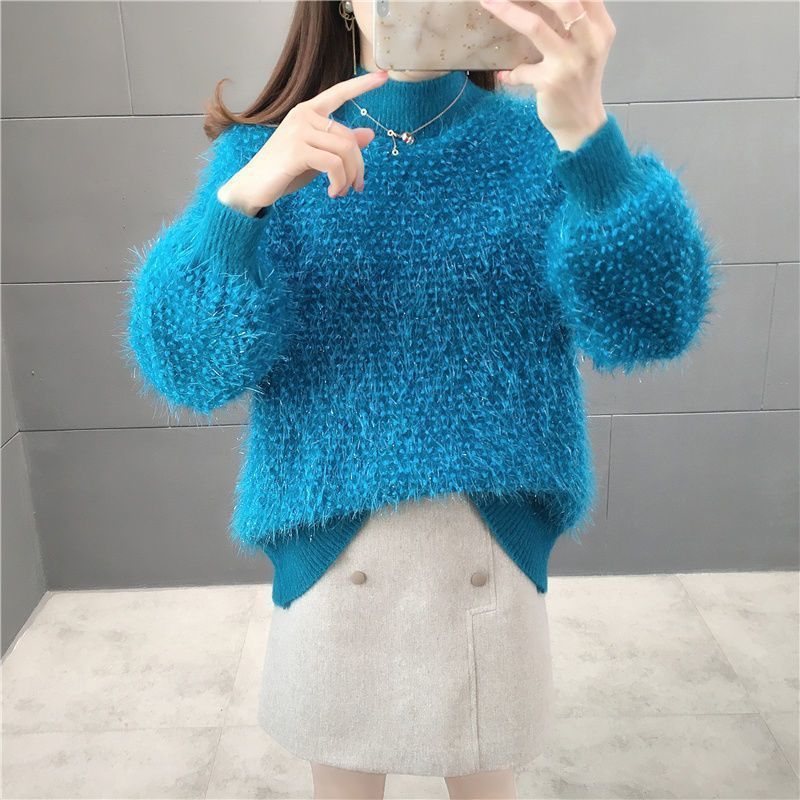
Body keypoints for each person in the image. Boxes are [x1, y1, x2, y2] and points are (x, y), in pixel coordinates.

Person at [122, 0, 721, 797]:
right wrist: (242, 206)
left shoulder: (541, 143)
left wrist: (590, 135)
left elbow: (654, 323)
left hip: (489, 552)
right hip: (332, 561)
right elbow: (187, 366)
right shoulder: (271, 153)